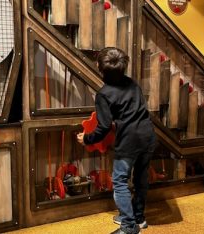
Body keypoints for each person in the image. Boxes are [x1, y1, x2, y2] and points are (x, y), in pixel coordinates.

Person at [77, 47, 156, 234]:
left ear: (99, 68)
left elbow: (103, 127)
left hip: (129, 141)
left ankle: (129, 226)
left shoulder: (104, 94)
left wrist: (87, 139)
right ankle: (139, 218)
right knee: (140, 178)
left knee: (120, 180)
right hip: (148, 136)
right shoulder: (132, 84)